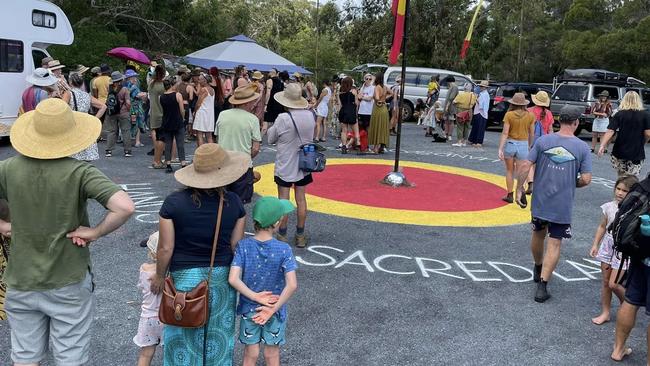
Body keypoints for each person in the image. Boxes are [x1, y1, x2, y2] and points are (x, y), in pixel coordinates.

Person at [2, 98, 135, 365]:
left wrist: (4, 226)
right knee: (69, 357)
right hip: (68, 278)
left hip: (21, 279)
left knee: (25, 357)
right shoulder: (79, 172)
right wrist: (96, 232)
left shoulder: (7, 168)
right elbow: (124, 207)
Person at [150, 143, 250, 365]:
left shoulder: (173, 203)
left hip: (185, 277)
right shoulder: (234, 203)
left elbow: (166, 248)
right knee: (218, 336)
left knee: (184, 332)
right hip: (221, 276)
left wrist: (159, 276)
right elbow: (236, 245)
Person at [514, 105, 592, 303]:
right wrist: (571, 182)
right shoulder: (582, 147)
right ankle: (543, 285)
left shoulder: (543, 141)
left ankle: (537, 266)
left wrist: (520, 188)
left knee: (537, 234)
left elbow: (525, 165)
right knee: (555, 242)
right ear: (576, 123)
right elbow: (586, 179)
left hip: (541, 199)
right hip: (562, 203)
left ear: (559, 120)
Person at [228, 196, 298, 366]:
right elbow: (292, 284)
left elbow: (233, 278)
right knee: (272, 353)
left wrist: (255, 297)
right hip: (275, 308)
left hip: (249, 308)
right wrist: (273, 308)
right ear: (276, 222)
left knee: (250, 353)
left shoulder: (243, 246)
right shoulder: (284, 249)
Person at [267, 83, 316, 248]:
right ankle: (300, 235)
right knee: (301, 199)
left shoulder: (283, 118)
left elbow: (271, 139)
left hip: (285, 164)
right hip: (304, 163)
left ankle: (282, 234)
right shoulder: (310, 116)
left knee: (283, 200)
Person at [589, 175, 638, 325]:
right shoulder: (609, 207)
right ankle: (605, 312)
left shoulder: (635, 210)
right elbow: (602, 226)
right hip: (608, 246)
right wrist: (595, 244)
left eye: (625, 190)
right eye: (618, 188)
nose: (620, 193)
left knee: (613, 284)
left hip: (623, 249)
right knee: (605, 282)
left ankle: (629, 307)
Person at [216, 85, 262, 204]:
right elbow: (256, 148)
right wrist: (247, 156)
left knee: (222, 200)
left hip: (224, 163)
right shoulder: (252, 119)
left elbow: (218, 138)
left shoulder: (223, 114)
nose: (254, 104)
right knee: (240, 204)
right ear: (247, 103)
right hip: (243, 166)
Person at [598, 91, 650, 177]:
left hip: (620, 149)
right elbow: (648, 134)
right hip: (636, 150)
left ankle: (620, 189)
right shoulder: (645, 115)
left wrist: (602, 145)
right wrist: (644, 142)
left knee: (621, 176)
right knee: (631, 177)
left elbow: (610, 131)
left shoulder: (619, 114)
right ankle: (629, 190)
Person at [497, 93, 535, 203]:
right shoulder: (530, 116)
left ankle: (509, 194)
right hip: (523, 144)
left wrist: (500, 148)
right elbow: (532, 133)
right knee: (520, 172)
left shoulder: (509, 115)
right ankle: (521, 189)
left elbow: (505, 133)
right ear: (524, 104)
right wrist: (529, 145)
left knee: (509, 171)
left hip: (510, 144)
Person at [133, 232, 164, 366]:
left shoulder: (144, 269)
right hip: (167, 318)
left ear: (151, 253)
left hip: (148, 317)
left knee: (146, 353)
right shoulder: (170, 273)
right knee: (171, 351)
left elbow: (141, 285)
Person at [526, 90, 554, 194]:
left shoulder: (529, 111)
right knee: (540, 164)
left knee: (529, 163)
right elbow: (550, 129)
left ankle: (530, 182)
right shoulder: (549, 113)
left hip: (532, 140)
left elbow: (528, 129)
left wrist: (528, 143)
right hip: (545, 140)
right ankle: (539, 185)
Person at [68, 72, 100, 161]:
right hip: (86, 124)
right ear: (82, 83)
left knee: (74, 154)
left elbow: (61, 107)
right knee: (86, 154)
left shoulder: (69, 94)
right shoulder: (87, 95)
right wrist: (95, 119)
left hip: (74, 124)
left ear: (70, 82)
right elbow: (103, 107)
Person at [160, 77, 187, 173]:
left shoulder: (162, 96)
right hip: (177, 121)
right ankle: (183, 163)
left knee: (168, 144)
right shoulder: (178, 95)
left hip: (167, 121)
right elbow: (182, 109)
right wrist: (183, 117)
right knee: (180, 143)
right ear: (172, 85)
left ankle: (168, 164)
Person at [105, 71, 133, 158]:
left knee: (111, 131)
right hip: (123, 113)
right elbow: (128, 103)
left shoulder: (109, 88)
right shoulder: (125, 89)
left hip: (111, 112)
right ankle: (127, 151)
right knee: (126, 131)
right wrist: (129, 110)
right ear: (121, 79)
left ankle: (109, 150)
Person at [367, 72, 392, 154]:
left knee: (377, 126)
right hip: (384, 109)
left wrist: (380, 100)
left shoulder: (377, 87)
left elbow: (377, 98)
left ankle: (376, 148)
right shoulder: (384, 87)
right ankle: (381, 147)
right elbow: (392, 93)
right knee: (382, 128)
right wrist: (384, 99)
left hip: (378, 109)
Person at [148, 64, 166, 168]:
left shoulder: (151, 84)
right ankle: (159, 155)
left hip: (153, 111)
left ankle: (156, 154)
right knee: (162, 136)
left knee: (154, 131)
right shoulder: (162, 86)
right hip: (162, 111)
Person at [338, 76, 360, 154]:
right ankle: (358, 146)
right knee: (356, 131)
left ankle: (344, 146)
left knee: (344, 131)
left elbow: (340, 105)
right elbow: (356, 103)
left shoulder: (340, 93)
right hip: (351, 111)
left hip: (343, 111)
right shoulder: (353, 91)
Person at [468, 80, 490, 147]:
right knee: (476, 126)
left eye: (482, 86)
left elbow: (483, 105)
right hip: (478, 112)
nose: (481, 87)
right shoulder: (482, 93)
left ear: (485, 87)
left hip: (481, 113)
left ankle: (479, 141)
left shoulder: (485, 94)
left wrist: (476, 99)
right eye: (481, 86)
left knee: (480, 128)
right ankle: (474, 140)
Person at [357, 74, 375, 152]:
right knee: (361, 128)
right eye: (366, 79)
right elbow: (359, 96)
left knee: (367, 129)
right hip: (361, 110)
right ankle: (361, 144)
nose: (368, 80)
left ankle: (367, 145)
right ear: (364, 79)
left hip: (368, 111)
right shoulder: (362, 87)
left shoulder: (373, 88)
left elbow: (370, 98)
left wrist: (363, 97)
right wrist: (363, 96)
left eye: (370, 79)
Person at [442, 76, 459, 142]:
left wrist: (447, 106)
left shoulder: (454, 87)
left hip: (451, 106)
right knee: (446, 120)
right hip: (448, 106)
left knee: (451, 121)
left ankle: (449, 135)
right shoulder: (451, 87)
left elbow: (451, 98)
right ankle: (446, 134)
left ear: (449, 81)